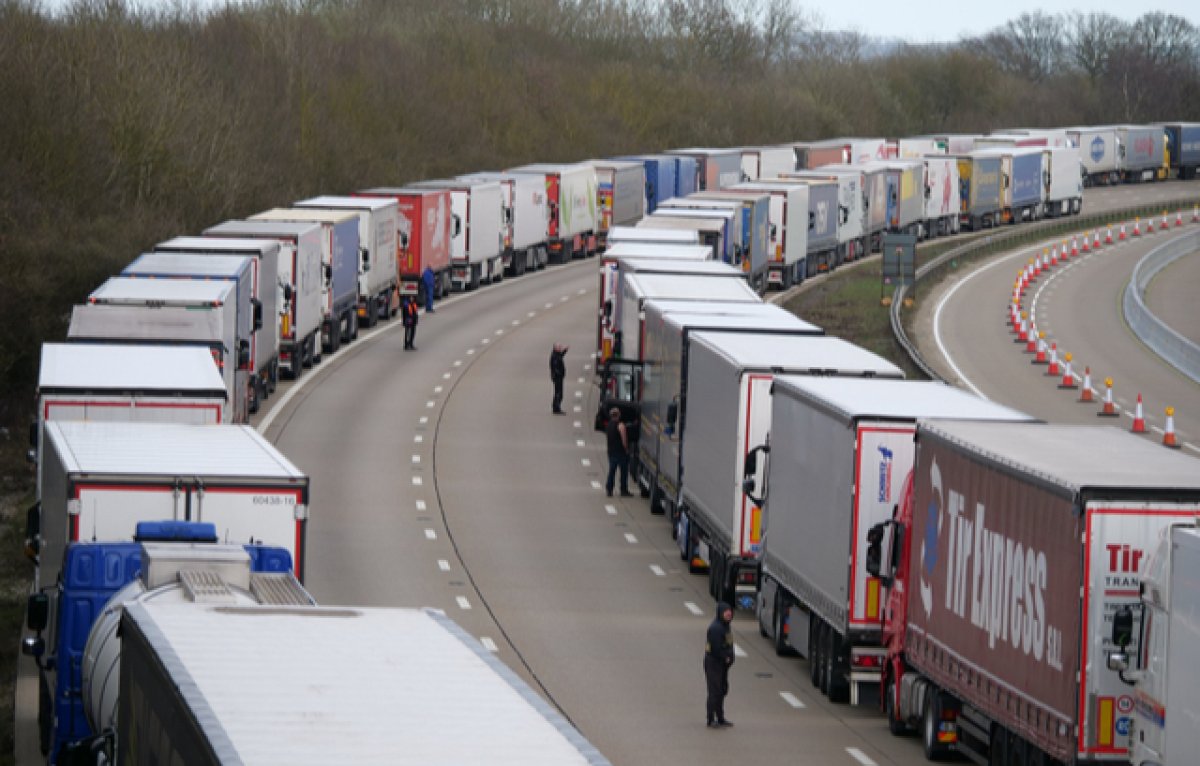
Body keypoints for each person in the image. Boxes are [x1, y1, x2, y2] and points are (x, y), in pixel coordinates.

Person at [704, 601, 735, 728]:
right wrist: (726, 657)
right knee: (714, 691)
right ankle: (711, 719)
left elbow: (729, 643)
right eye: (726, 612)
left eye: (730, 612)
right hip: (713, 663)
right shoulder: (716, 628)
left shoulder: (726, 626)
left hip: (722, 664)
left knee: (722, 689)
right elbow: (716, 648)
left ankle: (720, 717)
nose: (728, 614)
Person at [605, 407, 633, 497]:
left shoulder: (609, 425)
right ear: (619, 415)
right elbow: (624, 439)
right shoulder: (621, 426)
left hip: (611, 451)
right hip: (620, 452)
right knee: (623, 472)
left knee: (612, 471)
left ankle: (609, 489)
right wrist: (626, 449)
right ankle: (623, 490)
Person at [549, 344, 567, 414]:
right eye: (559, 347)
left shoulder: (556, 354)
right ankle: (556, 408)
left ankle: (556, 407)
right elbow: (555, 367)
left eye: (560, 347)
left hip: (558, 377)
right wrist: (559, 374)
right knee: (558, 393)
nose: (560, 348)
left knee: (558, 393)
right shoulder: (554, 356)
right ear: (555, 348)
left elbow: (561, 356)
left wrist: (565, 351)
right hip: (557, 377)